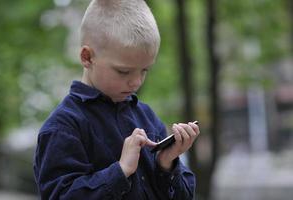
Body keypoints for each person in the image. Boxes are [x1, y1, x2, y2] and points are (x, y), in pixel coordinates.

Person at [33, 0, 200, 199]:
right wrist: (120, 172)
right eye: (124, 71)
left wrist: (167, 163)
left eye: (144, 70)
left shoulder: (146, 116)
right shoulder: (64, 127)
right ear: (87, 57)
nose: (136, 82)